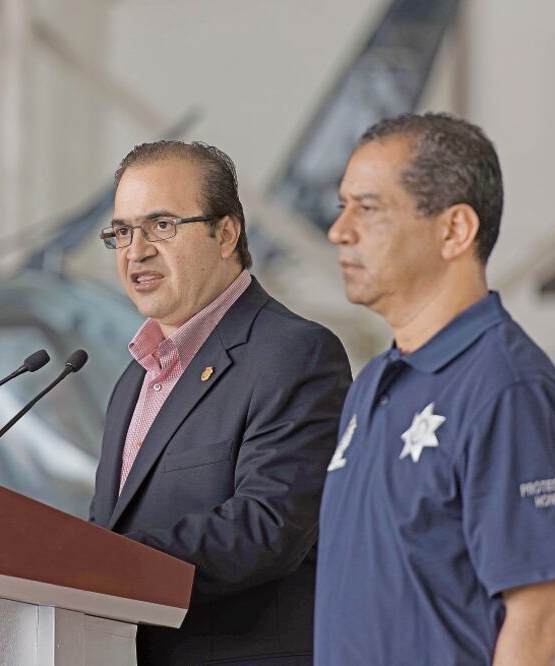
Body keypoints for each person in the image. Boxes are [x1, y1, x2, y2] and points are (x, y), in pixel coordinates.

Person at [315, 113, 555, 665]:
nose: (339, 231)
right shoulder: (372, 384)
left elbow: (540, 620)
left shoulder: (509, 390)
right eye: (342, 206)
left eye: (367, 208)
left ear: (454, 230)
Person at [89, 140, 352, 665]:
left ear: (226, 233)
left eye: (162, 225)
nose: (136, 251)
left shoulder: (294, 353)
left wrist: (108, 564)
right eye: (122, 231)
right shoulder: (134, 379)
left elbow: (268, 525)